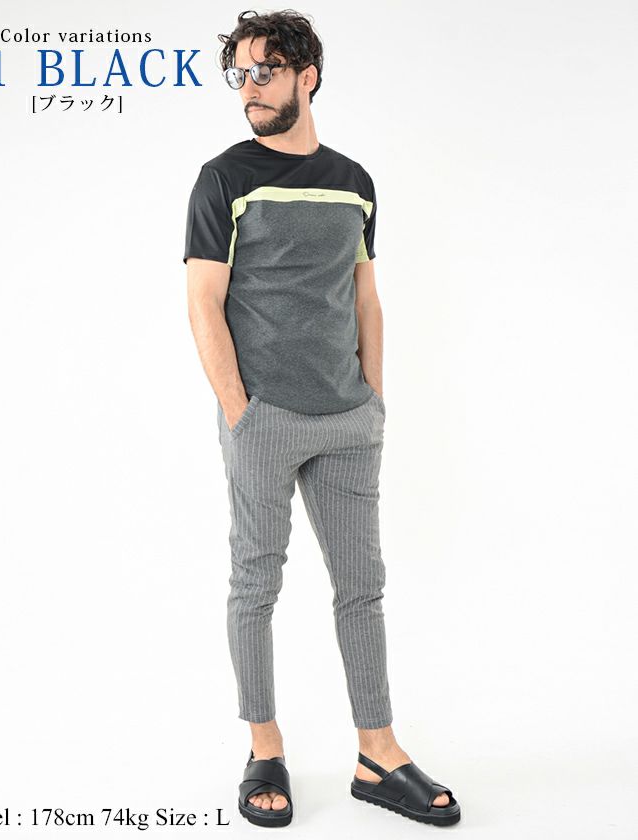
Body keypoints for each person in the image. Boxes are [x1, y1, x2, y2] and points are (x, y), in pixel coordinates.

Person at [183, 9, 461, 829]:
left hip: (348, 420)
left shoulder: (354, 181)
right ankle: (264, 749)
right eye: (239, 73)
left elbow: (365, 295)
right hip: (264, 418)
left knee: (362, 589)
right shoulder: (222, 178)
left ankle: (378, 753)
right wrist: (240, 413)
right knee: (255, 585)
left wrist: (374, 398)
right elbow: (202, 302)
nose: (248, 87)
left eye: (264, 70)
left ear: (307, 76)